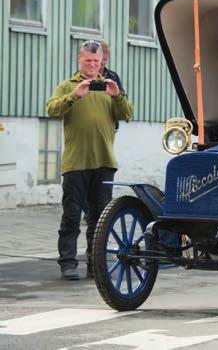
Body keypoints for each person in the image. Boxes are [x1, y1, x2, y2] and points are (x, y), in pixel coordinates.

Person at [47, 40, 133, 280]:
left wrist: (117, 96)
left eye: (96, 61)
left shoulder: (109, 87)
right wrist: (74, 96)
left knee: (99, 217)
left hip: (104, 162)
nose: (92, 65)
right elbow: (52, 109)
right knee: (71, 214)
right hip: (76, 162)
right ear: (79, 60)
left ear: (101, 61)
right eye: (88, 61)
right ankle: (68, 262)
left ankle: (95, 265)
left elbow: (127, 114)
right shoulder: (68, 86)